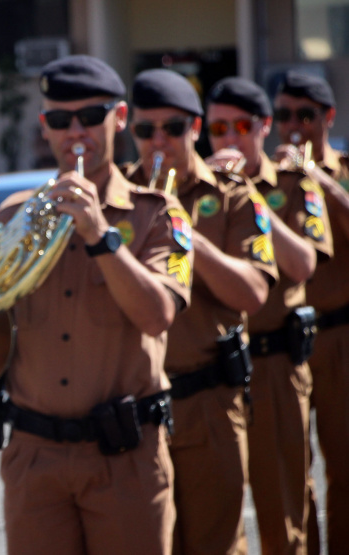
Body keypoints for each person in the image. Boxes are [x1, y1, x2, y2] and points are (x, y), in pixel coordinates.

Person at [0, 55, 192, 555]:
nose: (74, 131)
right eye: (60, 120)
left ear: (119, 118)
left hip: (123, 456)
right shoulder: (16, 215)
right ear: (45, 127)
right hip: (35, 458)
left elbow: (158, 314)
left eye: (90, 116)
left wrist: (101, 235)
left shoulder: (161, 213)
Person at [124, 70, 278, 555]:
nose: (158, 141)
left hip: (209, 401)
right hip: (138, 408)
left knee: (216, 544)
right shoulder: (118, 197)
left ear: (194, 128)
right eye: (145, 130)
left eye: (171, 128)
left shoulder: (233, 196)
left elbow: (254, 293)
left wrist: (183, 231)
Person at [206, 76, 333, 555]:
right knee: (217, 518)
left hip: (276, 365)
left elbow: (302, 263)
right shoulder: (200, 189)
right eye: (218, 130)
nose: (230, 139)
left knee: (285, 511)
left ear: (262, 128)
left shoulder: (292, 183)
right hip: (216, 371)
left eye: (240, 126)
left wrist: (246, 195)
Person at [272, 70, 349, 554]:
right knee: (289, 472)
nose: (293, 126)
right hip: (287, 342)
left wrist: (321, 180)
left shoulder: (343, 169)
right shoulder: (269, 176)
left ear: (328, 117)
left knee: (345, 468)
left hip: (341, 335)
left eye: (306, 115)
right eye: (283, 116)